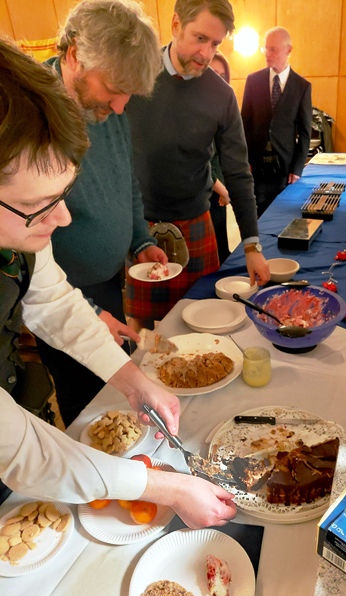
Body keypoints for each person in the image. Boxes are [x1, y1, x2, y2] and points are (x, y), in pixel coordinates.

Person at [0, 37, 236, 528]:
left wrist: (132, 379)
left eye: (62, 195)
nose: (63, 218)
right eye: (39, 204)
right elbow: (20, 450)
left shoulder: (20, 229)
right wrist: (166, 487)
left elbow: (53, 302)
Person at [34, 0, 169, 427]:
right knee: (88, 412)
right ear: (75, 54)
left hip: (107, 282)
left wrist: (140, 238)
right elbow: (30, 266)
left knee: (116, 393)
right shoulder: (32, 114)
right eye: (113, 89)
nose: (120, 107)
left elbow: (125, 181)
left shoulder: (106, 108)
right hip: (59, 296)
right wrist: (89, 313)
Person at [126, 0, 270, 328]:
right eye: (200, 38)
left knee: (204, 323)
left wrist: (251, 245)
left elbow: (237, 172)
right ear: (176, 24)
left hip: (196, 223)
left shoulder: (222, 95)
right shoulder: (134, 76)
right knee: (142, 329)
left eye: (215, 43)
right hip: (140, 226)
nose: (206, 54)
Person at [241, 26, 312, 217]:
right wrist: (245, 160)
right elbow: (244, 125)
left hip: (285, 168)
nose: (267, 54)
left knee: (282, 217)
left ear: (288, 50)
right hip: (256, 166)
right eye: (265, 48)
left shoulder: (302, 87)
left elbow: (304, 132)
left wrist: (297, 168)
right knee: (257, 217)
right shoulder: (253, 81)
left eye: (273, 49)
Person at [209, 51, 231, 264]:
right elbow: (199, 161)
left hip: (217, 189)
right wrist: (221, 188)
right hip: (205, 191)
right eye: (212, 73)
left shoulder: (221, 107)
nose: (218, 80)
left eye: (222, 75)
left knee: (221, 247)